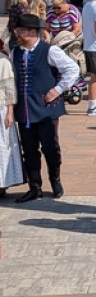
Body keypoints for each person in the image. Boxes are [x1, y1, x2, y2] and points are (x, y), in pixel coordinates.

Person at [11, 13, 78, 202]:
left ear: (32, 32)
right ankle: (35, 187)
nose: (17, 34)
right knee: (29, 149)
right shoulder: (16, 52)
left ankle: (55, 180)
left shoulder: (50, 51)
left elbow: (72, 69)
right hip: (24, 110)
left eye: (21, 31)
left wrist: (57, 90)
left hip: (46, 109)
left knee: (50, 147)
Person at [0, 49, 23, 196]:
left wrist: (10, 112)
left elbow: (9, 88)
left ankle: (2, 184)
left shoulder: (2, 61)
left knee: (3, 147)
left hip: (1, 107)